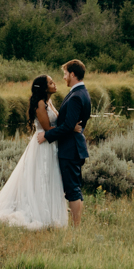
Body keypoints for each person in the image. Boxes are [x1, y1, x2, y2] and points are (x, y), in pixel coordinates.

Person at [0, 70, 83, 230]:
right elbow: (47, 128)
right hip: (43, 145)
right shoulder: (39, 103)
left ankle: (50, 213)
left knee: (50, 178)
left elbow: (56, 124)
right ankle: (41, 213)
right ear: (45, 88)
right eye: (51, 83)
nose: (55, 84)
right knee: (41, 178)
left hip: (51, 144)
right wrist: (70, 128)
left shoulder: (48, 101)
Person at [37, 59, 90, 227]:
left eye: (66, 74)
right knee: (74, 188)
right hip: (74, 146)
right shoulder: (82, 92)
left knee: (72, 189)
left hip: (70, 148)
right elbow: (70, 125)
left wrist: (47, 135)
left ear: (73, 74)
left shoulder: (76, 96)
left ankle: (76, 227)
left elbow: (68, 125)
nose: (64, 77)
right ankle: (76, 225)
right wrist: (70, 127)